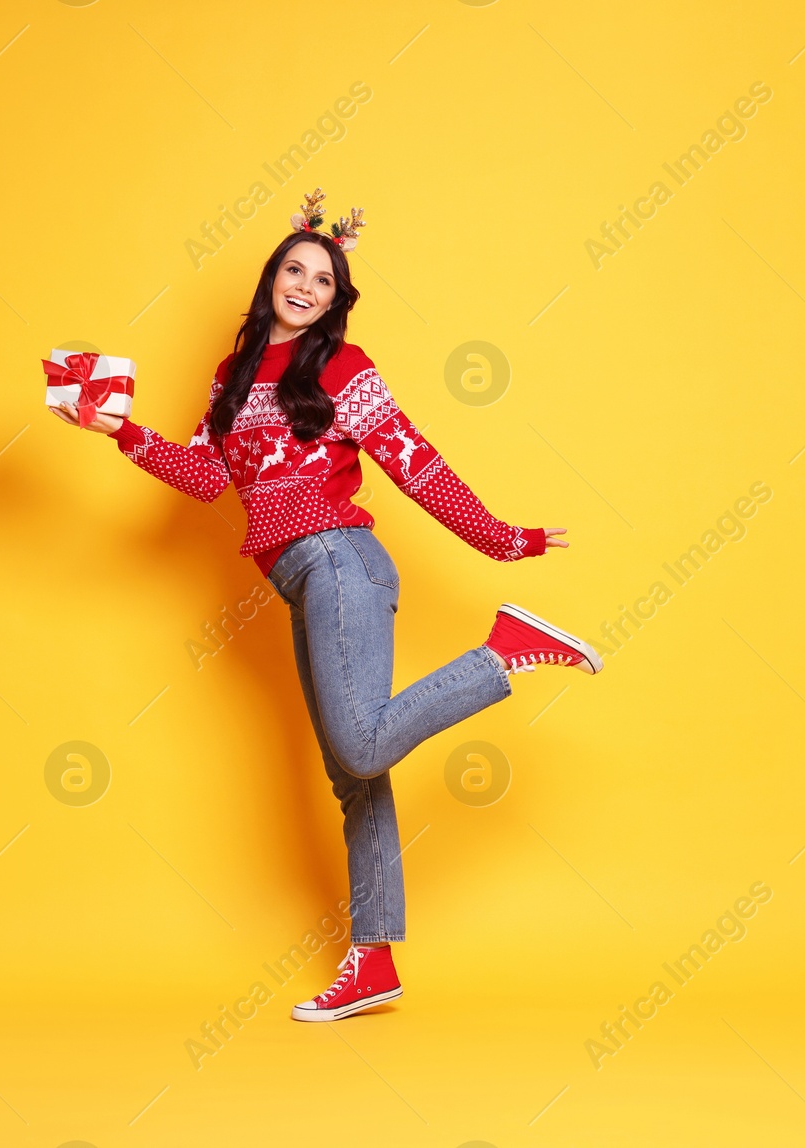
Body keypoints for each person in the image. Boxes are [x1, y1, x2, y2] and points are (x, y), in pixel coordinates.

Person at [50, 189, 600, 1022]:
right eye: (293, 270)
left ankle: (503, 650)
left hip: (340, 561)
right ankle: (372, 963)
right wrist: (121, 432)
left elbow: (415, 460)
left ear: (336, 301)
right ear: (272, 276)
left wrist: (500, 539)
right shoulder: (232, 378)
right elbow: (205, 478)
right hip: (301, 580)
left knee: (360, 743)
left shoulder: (343, 370)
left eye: (321, 280)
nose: (303, 286)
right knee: (355, 775)